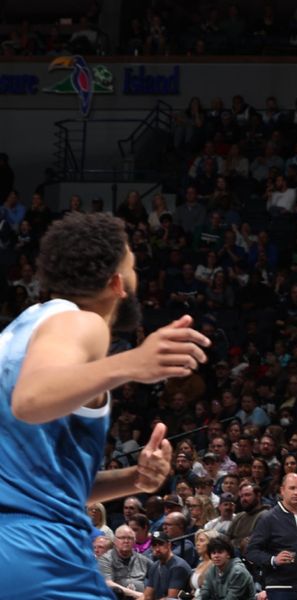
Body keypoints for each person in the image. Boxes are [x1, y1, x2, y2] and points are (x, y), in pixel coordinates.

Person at [0, 213, 209, 599]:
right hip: (41, 554)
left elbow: (43, 485)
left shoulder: (22, 330)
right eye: (131, 267)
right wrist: (134, 363)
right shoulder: (83, 322)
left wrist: (135, 479)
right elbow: (29, 400)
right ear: (116, 283)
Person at [246, 473, 297, 600]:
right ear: (282, 490)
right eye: (292, 488)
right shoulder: (268, 518)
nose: (296, 492)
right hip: (280, 589)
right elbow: (251, 552)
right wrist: (273, 560)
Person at [98, 524, 152, 599]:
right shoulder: (105, 559)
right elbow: (107, 583)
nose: (126, 541)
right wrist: (137, 594)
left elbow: (157, 578)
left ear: (134, 541)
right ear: (115, 540)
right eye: (122, 538)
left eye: (130, 538)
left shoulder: (143, 560)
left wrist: (147, 595)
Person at [197, 535, 256, 600]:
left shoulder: (238, 571)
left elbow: (231, 598)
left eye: (220, 552)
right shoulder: (212, 570)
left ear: (228, 554)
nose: (216, 556)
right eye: (213, 553)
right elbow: (204, 592)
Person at [143, 530, 192, 600]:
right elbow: (147, 596)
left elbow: (171, 598)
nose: (157, 549)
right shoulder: (154, 566)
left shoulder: (178, 566)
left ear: (169, 545)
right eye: (154, 545)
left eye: (160, 544)